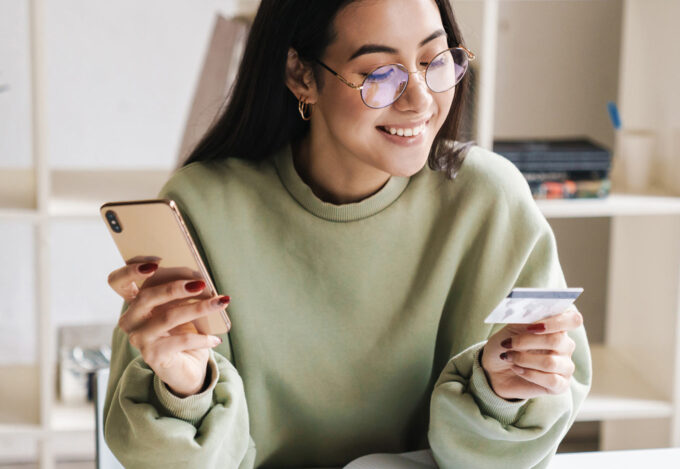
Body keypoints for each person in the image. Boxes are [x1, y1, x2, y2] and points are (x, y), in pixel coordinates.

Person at [103, 1, 591, 468]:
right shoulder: (203, 206)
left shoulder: (490, 200)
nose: (420, 100)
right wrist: (185, 391)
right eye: (381, 74)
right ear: (301, 75)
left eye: (434, 59)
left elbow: (508, 452)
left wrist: (504, 389)